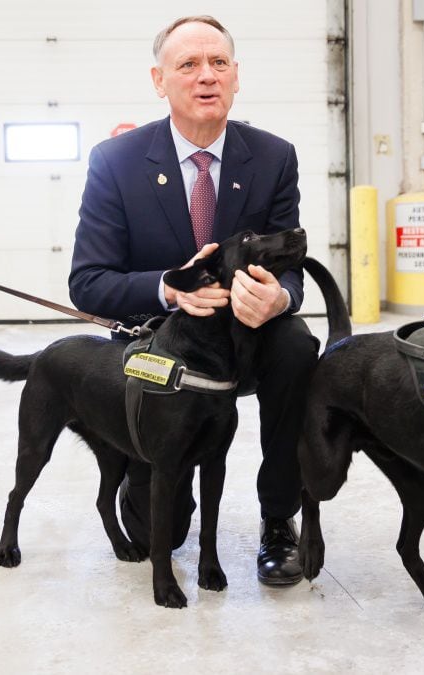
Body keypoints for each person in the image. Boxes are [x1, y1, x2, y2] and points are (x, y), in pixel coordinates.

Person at [68, 15, 317, 587]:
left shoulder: (274, 156)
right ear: (160, 80)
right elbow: (88, 282)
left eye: (219, 64)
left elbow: (293, 267)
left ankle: (279, 518)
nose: (207, 77)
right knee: (160, 530)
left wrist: (280, 299)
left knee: (297, 346)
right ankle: (147, 472)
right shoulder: (117, 162)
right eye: (189, 65)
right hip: (161, 349)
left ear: (236, 77)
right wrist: (168, 286)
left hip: (246, 340)